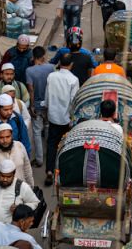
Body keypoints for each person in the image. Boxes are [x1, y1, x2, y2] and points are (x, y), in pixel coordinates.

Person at [44, 54, 79, 185]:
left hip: (53, 116)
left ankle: (49, 171)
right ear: (71, 65)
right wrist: (72, 117)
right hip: (66, 118)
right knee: (66, 145)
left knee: (52, 144)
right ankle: (64, 172)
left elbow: (47, 95)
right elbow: (73, 100)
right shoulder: (73, 80)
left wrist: (47, 107)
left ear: (59, 63)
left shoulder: (51, 76)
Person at [0, 159, 39, 228]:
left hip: (10, 230)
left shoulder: (22, 186)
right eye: (2, 176)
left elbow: (35, 202)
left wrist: (19, 208)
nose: (5, 179)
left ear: (14, 174)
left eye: (8, 177)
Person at [25, 47, 52, 168]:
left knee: (36, 131)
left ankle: (40, 159)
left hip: (37, 104)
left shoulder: (29, 71)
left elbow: (31, 90)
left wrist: (31, 106)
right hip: (49, 104)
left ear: (33, 57)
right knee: (47, 128)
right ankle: (48, 155)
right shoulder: (50, 68)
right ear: (43, 56)